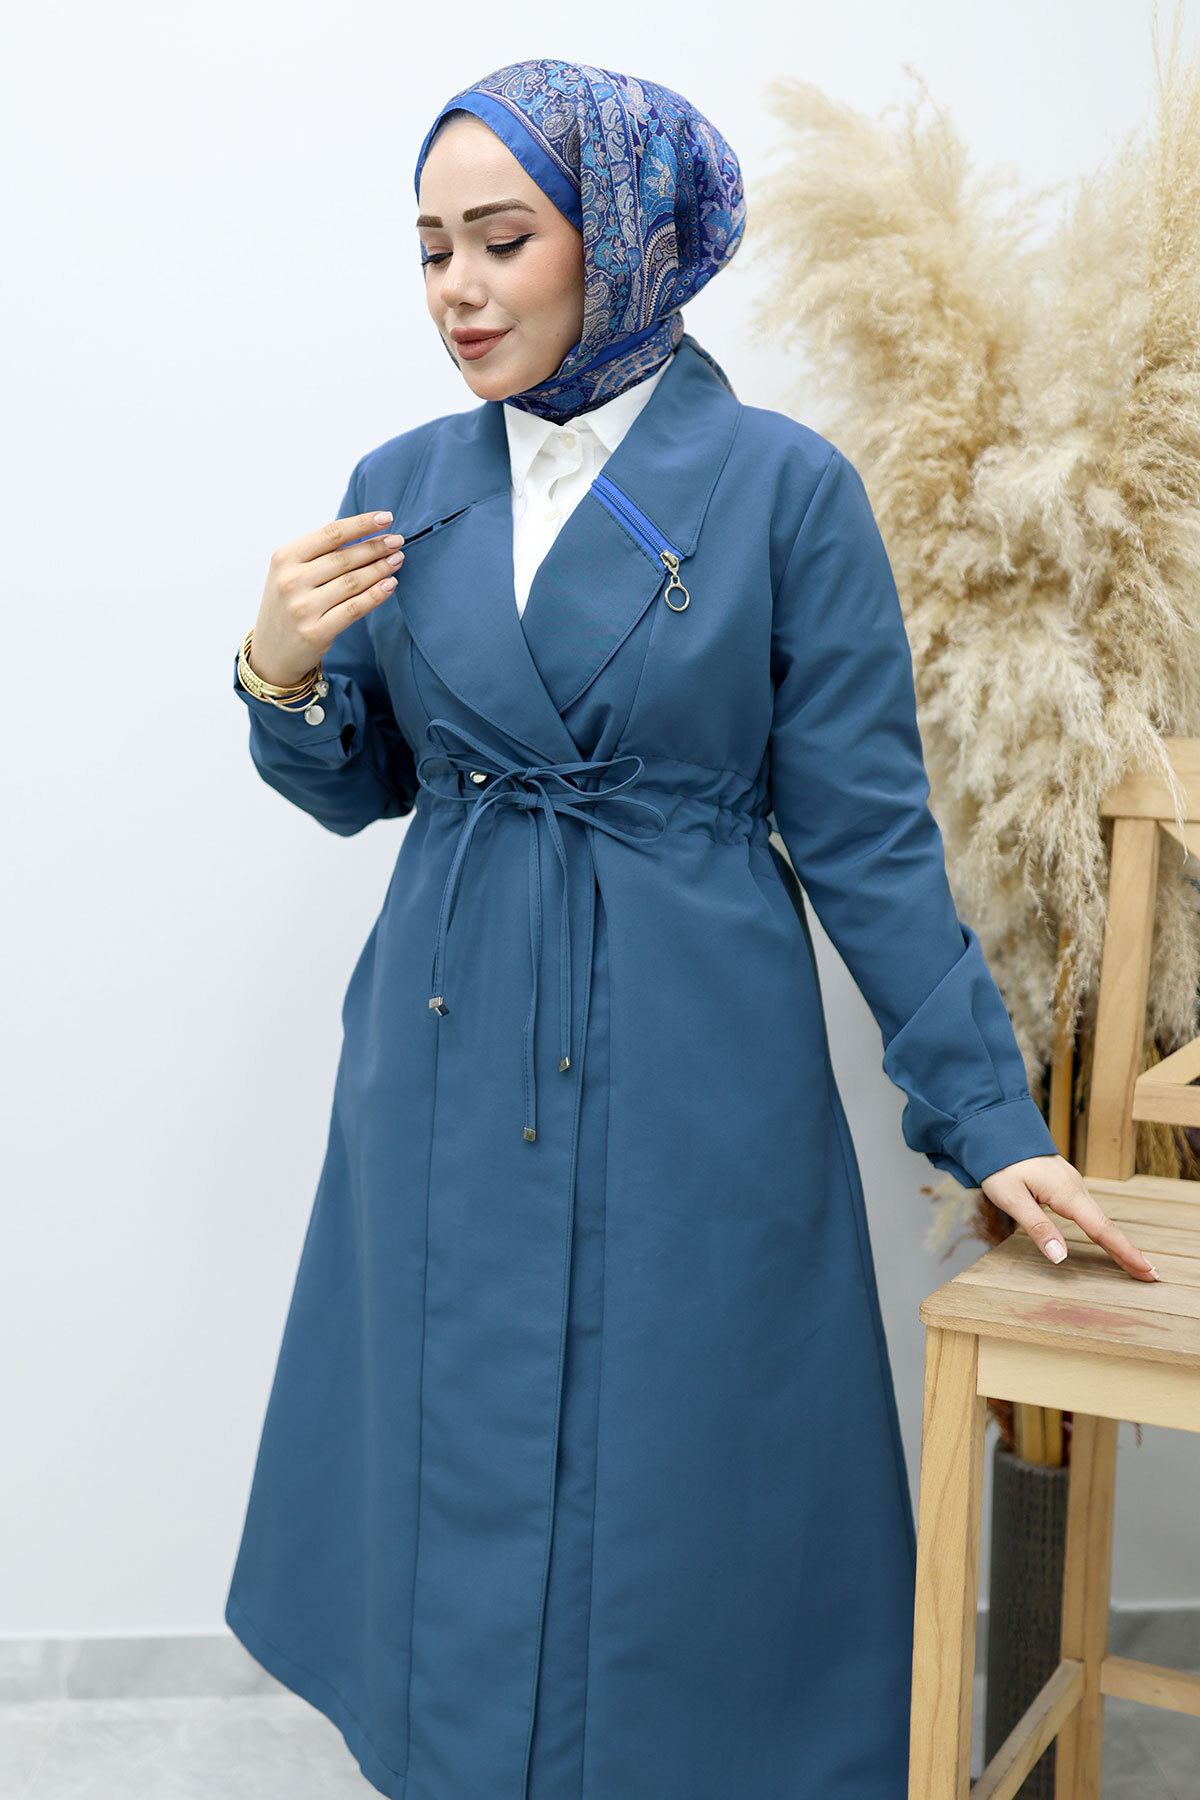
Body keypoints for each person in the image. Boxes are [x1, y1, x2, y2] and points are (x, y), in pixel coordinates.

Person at [225, 57, 1156, 1800]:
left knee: (682, 1451)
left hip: (690, 1052)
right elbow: (369, 783)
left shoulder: (783, 488)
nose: (458, 290)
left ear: (624, 233)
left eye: (503, 239)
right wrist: (278, 668)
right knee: (445, 1428)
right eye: (430, 248)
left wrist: (990, 1119)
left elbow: (868, 836)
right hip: (442, 1048)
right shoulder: (404, 483)